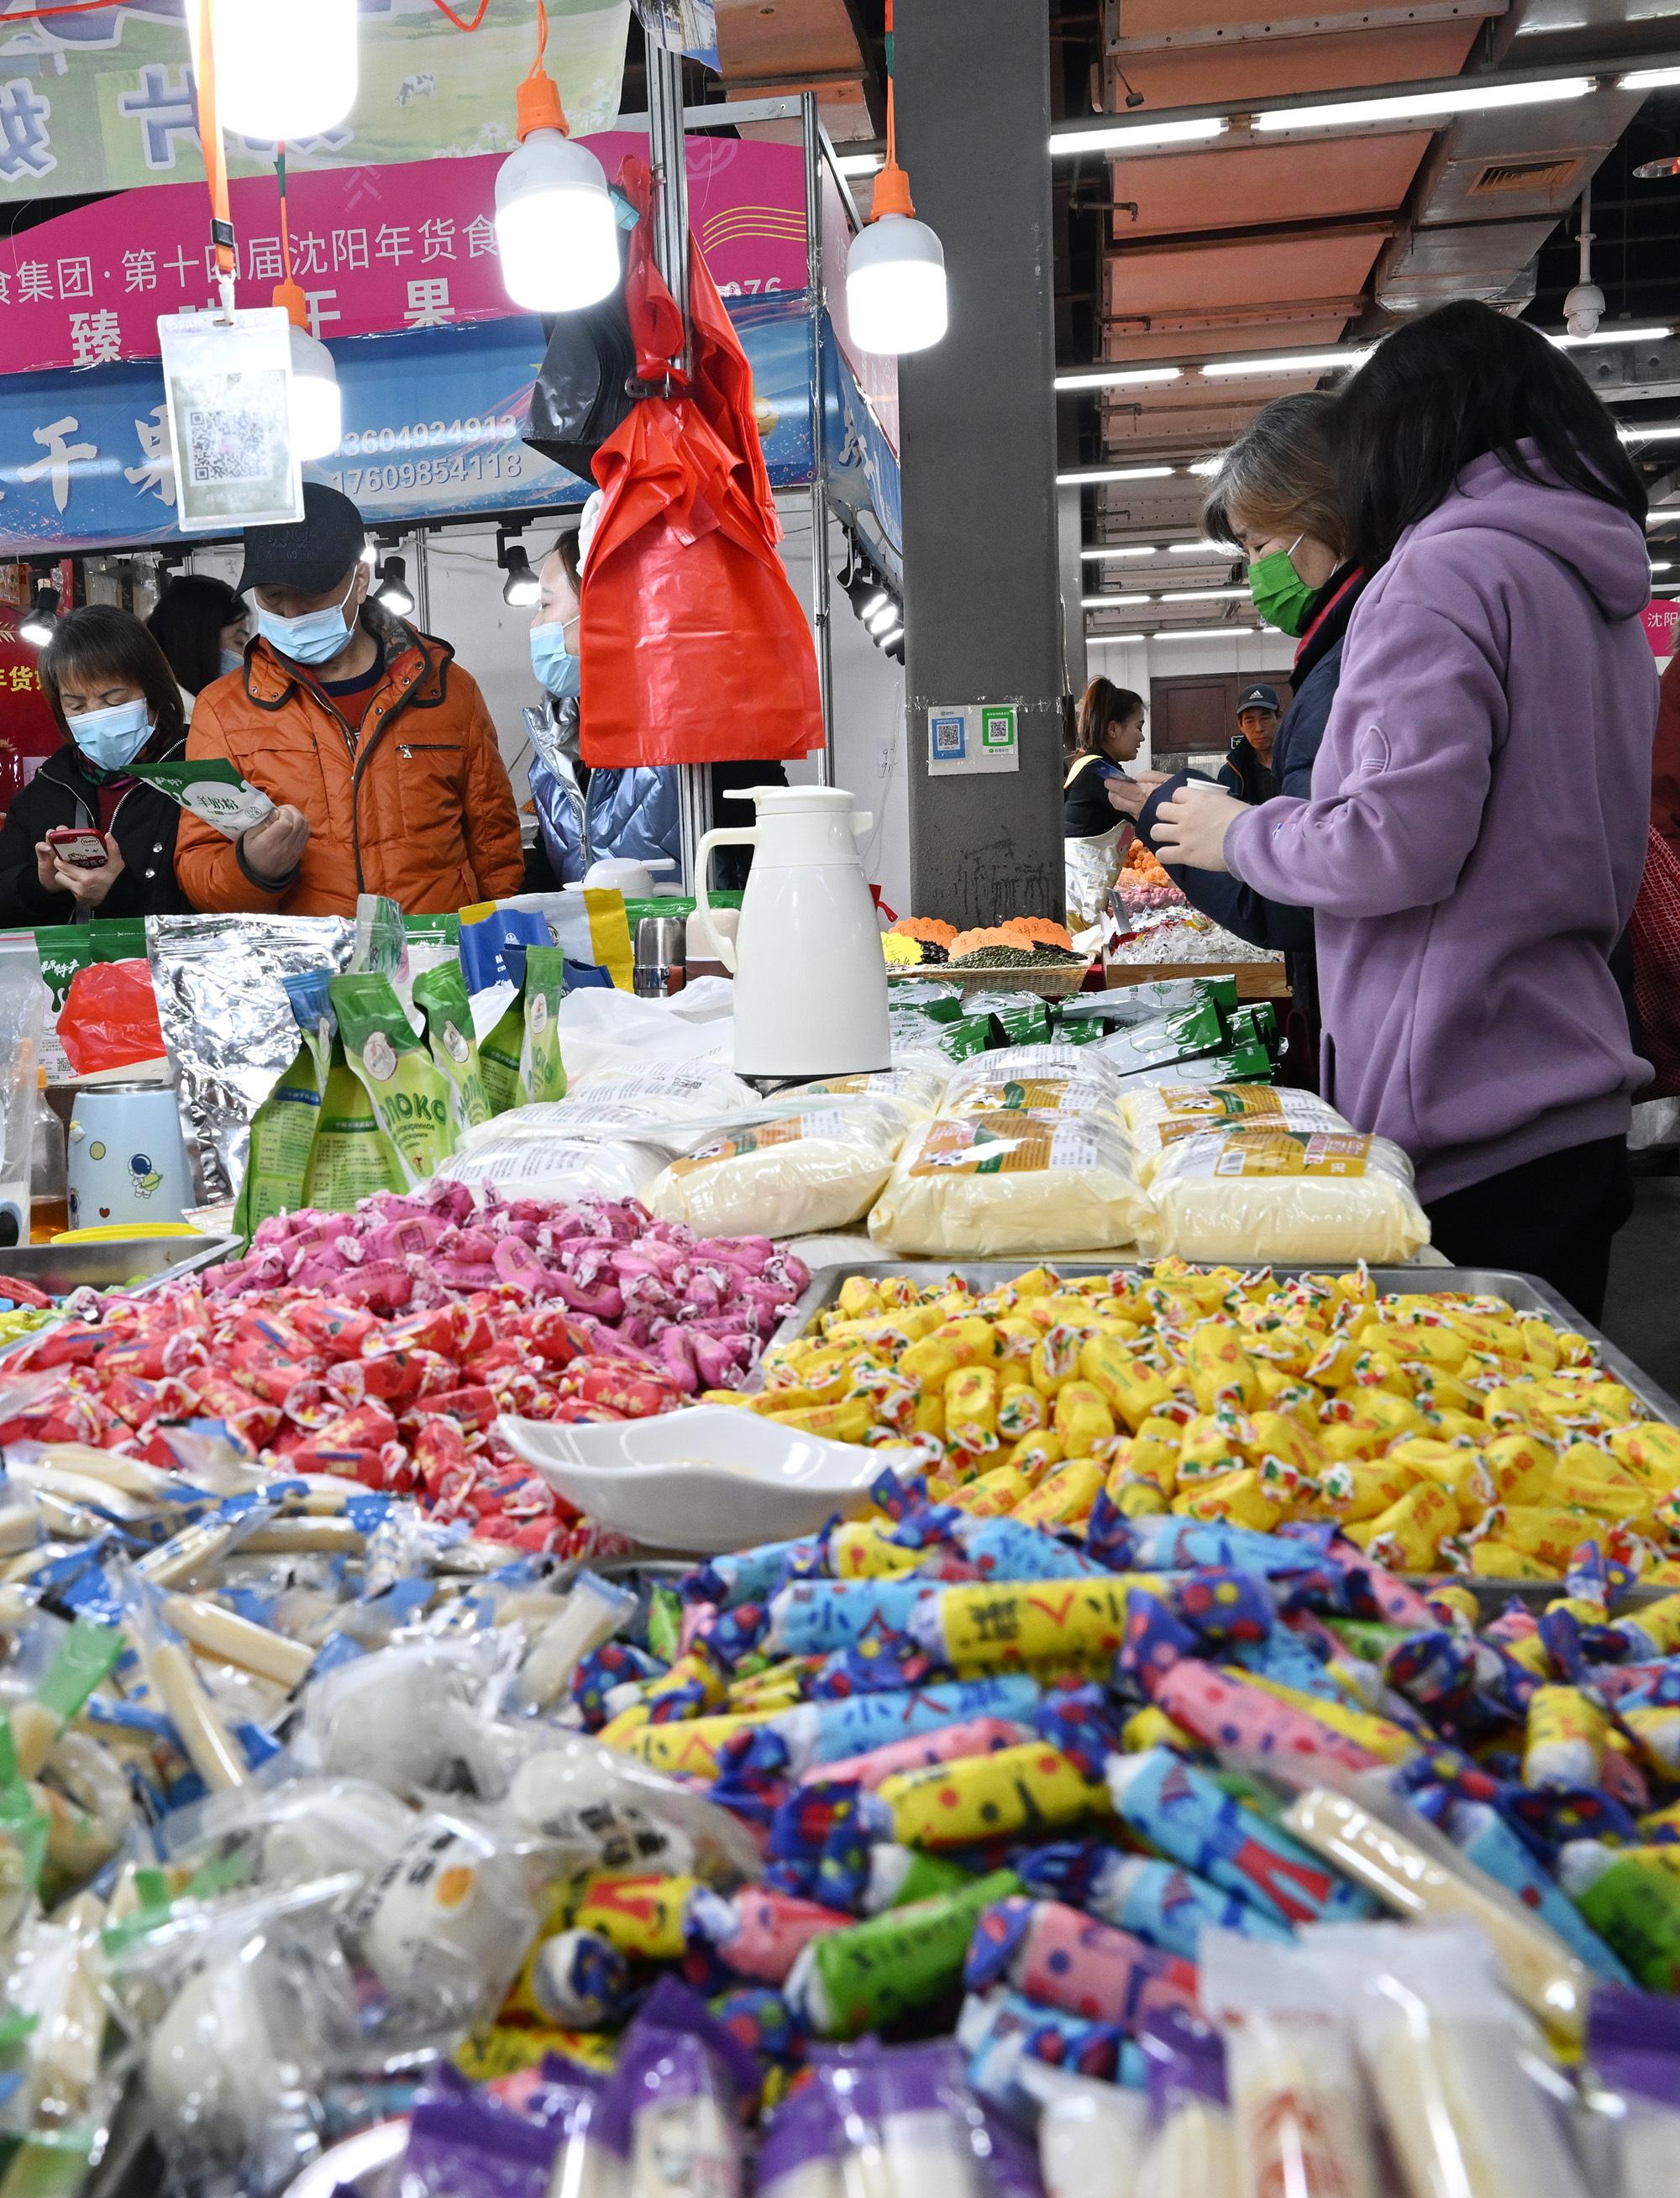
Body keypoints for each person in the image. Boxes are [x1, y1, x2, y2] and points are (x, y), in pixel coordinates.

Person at [1152, 299, 1657, 1319]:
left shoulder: (1439, 573)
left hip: (1463, 1103)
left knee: (1451, 1457)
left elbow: (1392, 843)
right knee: (1542, 1449)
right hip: (1567, 1078)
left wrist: (1233, 833)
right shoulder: (1586, 586)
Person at [1118, 391, 1369, 1084]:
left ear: (1323, 514)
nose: (1254, 570)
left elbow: (1299, 899)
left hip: (1395, 1047)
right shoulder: (1350, 650)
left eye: (1259, 544)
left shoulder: (1352, 665)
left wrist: (1172, 820)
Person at [175, 483, 524, 918]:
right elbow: (199, 876)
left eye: (312, 594)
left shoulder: (448, 690)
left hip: (438, 964)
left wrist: (495, 953)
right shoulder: (223, 710)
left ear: (360, 579)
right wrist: (254, 868)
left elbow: (495, 848)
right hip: (305, 972)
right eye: (273, 596)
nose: (291, 614)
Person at [526, 528, 781, 890]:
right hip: (597, 945)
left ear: (601, 607)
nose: (535, 625)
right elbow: (553, 867)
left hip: (696, 941)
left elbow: (769, 851)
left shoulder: (702, 720)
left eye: (545, 605)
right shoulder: (554, 737)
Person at [0, 606, 194, 926]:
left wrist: (117, 893)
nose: (96, 716)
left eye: (113, 700)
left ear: (153, 690)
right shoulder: (49, 786)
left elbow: (220, 901)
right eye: (76, 705)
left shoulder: (197, 769)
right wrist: (41, 884)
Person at [1063, 677, 1144, 927]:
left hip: (1076, 901)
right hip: (1078, 910)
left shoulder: (1086, 764)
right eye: (1138, 727)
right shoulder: (1102, 774)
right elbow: (1148, 810)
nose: (1141, 738)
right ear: (1113, 729)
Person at [147, 574, 249, 717]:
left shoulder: (214, 710)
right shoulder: (164, 722)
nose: (245, 655)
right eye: (239, 642)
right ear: (200, 644)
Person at [1222, 683, 1280, 803]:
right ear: (1240, 725)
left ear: (1279, 717)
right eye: (1250, 721)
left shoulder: (1301, 762)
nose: (1258, 728)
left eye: (1265, 718)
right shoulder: (1230, 773)